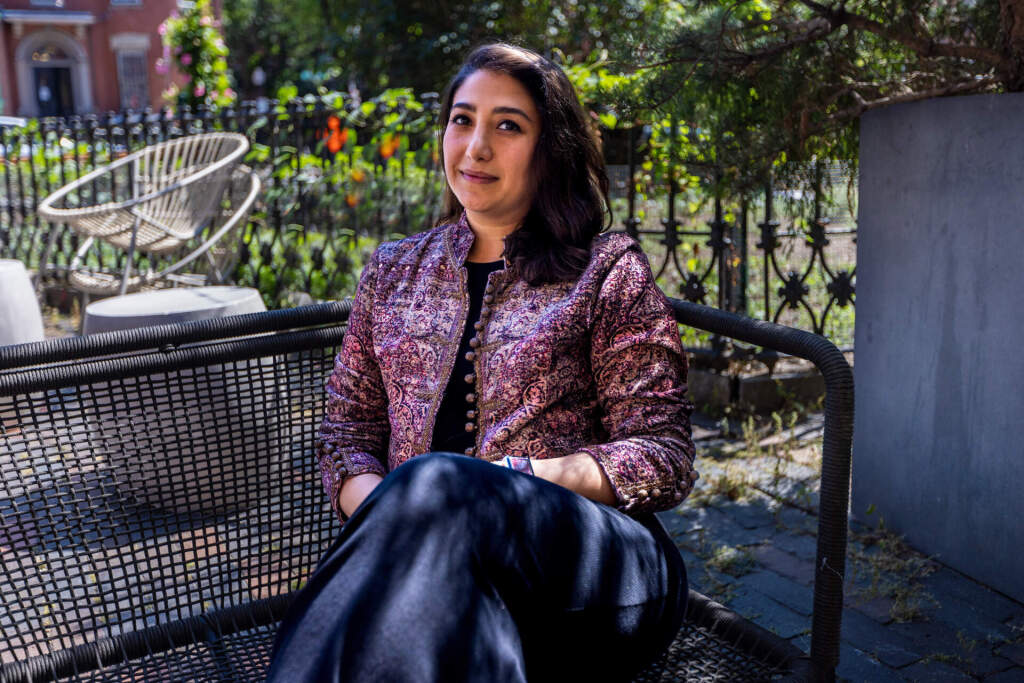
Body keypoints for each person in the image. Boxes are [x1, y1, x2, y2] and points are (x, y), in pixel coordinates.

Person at [265, 43, 699, 683]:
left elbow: (665, 456)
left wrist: (511, 479)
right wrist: (406, 518)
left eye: (508, 126)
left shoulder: (604, 271)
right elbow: (346, 437)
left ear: (550, 149)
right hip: (436, 578)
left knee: (439, 483)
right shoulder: (392, 273)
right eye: (463, 119)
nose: (477, 147)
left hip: (595, 570)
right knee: (424, 553)